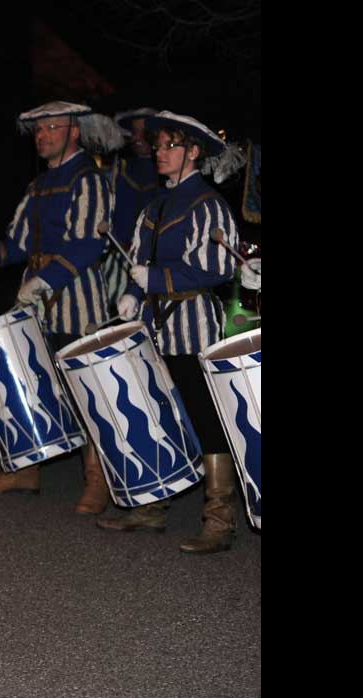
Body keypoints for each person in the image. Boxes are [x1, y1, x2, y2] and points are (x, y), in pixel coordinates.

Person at [0, 101, 121, 514]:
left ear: (74, 132)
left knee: (85, 388)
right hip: (34, 299)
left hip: (77, 297)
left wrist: (46, 279)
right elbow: (17, 243)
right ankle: (25, 468)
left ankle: (97, 478)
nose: (42, 136)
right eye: (39, 130)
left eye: (52, 128)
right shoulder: (39, 186)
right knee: (26, 380)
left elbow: (89, 244)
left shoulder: (89, 179)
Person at [101, 111, 245, 554]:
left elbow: (219, 268)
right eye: (158, 146)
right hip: (153, 326)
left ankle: (219, 521)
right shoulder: (154, 206)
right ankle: (152, 505)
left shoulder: (207, 204)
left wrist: (157, 279)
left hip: (192, 323)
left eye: (170, 146)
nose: (159, 153)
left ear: (194, 152)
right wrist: (131, 293)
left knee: (205, 416)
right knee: (156, 413)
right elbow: (138, 260)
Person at [98, 107, 160, 305]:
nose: (138, 137)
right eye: (134, 132)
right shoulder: (120, 168)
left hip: (158, 265)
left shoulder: (169, 173)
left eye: (144, 132)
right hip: (119, 261)